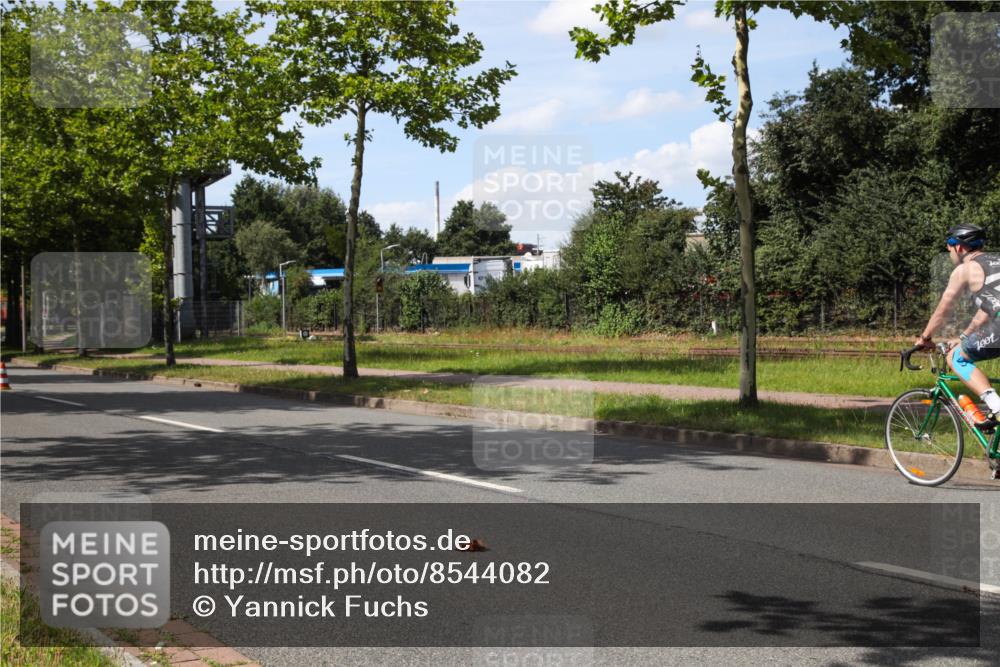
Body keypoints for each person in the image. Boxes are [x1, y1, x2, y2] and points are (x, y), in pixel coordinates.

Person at [915, 223, 1000, 429]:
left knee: (955, 357)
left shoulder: (965, 269)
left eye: (949, 246)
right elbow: (986, 311)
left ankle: (996, 407)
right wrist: (963, 337)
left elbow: (944, 308)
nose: (949, 251)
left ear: (959, 247)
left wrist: (925, 337)